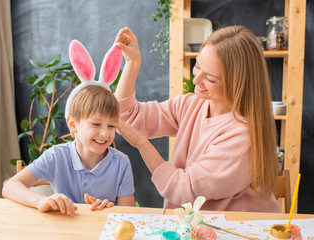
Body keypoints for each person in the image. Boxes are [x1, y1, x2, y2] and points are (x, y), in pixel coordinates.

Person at [114, 26, 280, 212]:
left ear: (236, 84)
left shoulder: (241, 138)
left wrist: (142, 143)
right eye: (197, 66)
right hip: (197, 227)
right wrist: (132, 63)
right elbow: (125, 116)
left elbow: (182, 190)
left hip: (240, 229)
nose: (195, 80)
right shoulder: (191, 105)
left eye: (209, 78)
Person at [2, 85, 135, 216]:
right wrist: (41, 201)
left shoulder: (121, 163)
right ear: (72, 125)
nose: (105, 134)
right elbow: (10, 186)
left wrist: (110, 211)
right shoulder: (56, 156)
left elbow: (130, 215)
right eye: (96, 124)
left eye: (111, 126)